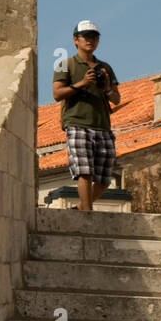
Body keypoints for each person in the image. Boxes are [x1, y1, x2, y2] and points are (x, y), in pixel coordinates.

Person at [52, 20, 120, 211]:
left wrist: (107, 87)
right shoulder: (65, 64)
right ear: (76, 40)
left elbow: (117, 99)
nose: (91, 40)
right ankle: (87, 213)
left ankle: (81, 207)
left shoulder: (104, 67)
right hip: (77, 122)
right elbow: (57, 94)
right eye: (86, 37)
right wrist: (82, 83)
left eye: (94, 37)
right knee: (85, 173)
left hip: (102, 124)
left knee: (105, 178)